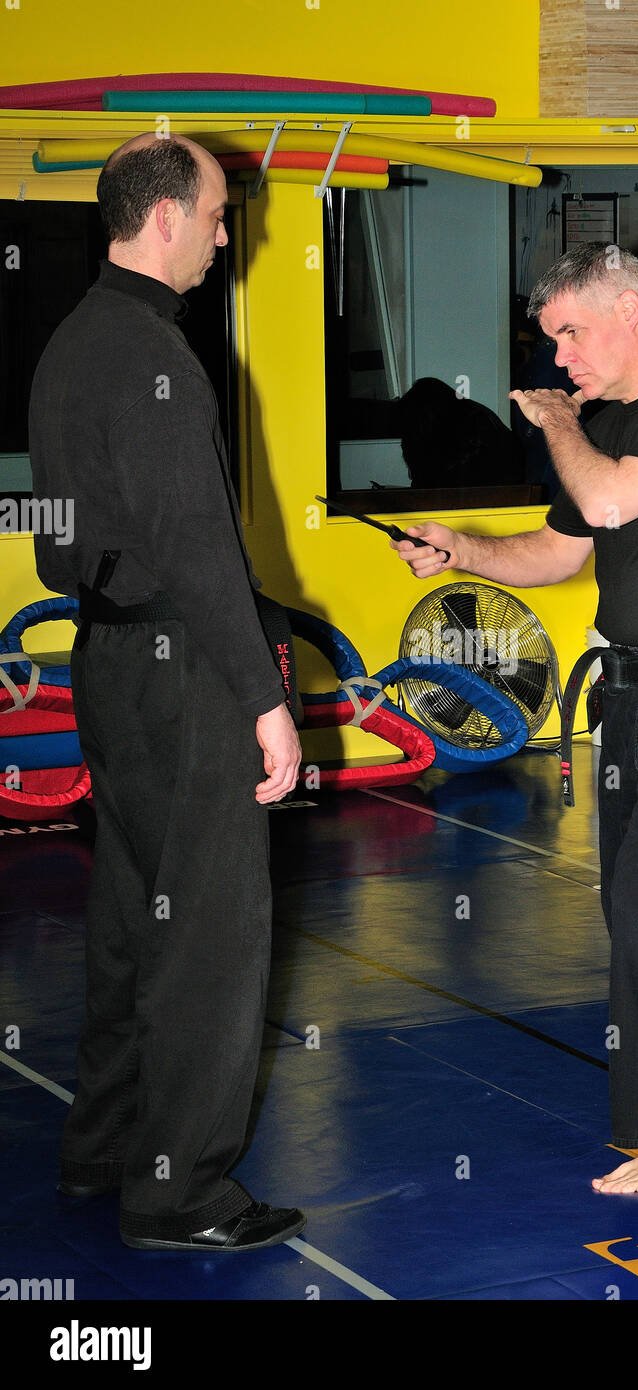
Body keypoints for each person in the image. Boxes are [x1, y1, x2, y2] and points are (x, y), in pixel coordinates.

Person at [392, 242, 638, 1195]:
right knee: (635, 904)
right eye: (551, 341)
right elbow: (559, 554)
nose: (558, 358)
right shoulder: (610, 429)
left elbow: (604, 501)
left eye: (569, 332)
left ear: (628, 313)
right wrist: (461, 550)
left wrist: (564, 425)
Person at [28, 134, 306, 1250]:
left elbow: (60, 542)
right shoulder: (153, 356)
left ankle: (104, 1149)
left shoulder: (69, 343)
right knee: (210, 932)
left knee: (131, 916)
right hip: (181, 670)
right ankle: (180, 1190)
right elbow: (198, 550)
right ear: (164, 221)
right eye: (220, 213)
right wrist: (263, 694)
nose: (229, 233)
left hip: (107, 657)